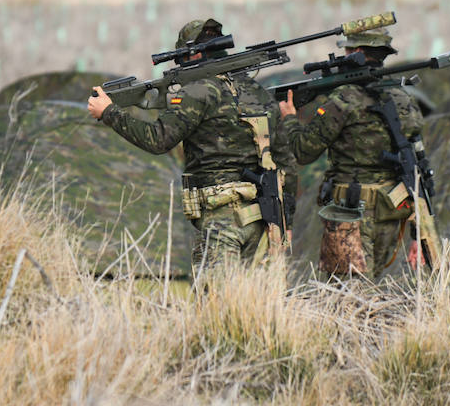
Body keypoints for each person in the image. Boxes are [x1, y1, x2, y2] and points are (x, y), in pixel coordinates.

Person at [87, 18, 298, 276]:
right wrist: (287, 218)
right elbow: (286, 160)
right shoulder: (258, 91)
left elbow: (157, 139)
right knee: (260, 305)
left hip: (221, 218)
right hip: (265, 217)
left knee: (216, 304)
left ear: (192, 53)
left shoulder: (197, 92)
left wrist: (109, 112)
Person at [277, 27, 434, 278]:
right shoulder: (402, 98)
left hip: (350, 214)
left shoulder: (344, 100)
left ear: (357, 52)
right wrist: (420, 231)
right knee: (368, 286)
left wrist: (290, 120)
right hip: (391, 209)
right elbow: (417, 163)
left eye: (347, 49)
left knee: (346, 294)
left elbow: (304, 151)